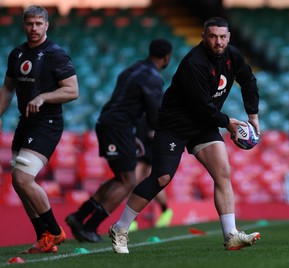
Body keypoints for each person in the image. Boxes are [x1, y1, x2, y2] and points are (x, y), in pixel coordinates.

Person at [109, 16, 261, 254]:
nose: (218, 42)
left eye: (222, 37)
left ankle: (231, 235)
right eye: (212, 36)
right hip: (175, 124)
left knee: (222, 172)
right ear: (203, 37)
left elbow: (248, 80)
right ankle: (120, 228)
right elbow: (202, 106)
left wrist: (253, 115)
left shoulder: (233, 55)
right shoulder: (195, 63)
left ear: (228, 37)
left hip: (203, 124)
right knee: (161, 178)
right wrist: (229, 123)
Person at [65, 39, 173, 243]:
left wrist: (132, 136)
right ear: (166, 57)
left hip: (110, 123)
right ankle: (89, 226)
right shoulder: (153, 78)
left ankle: (79, 217)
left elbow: (123, 103)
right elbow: (154, 116)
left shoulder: (131, 70)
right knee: (128, 182)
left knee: (120, 177)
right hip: (118, 127)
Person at [0, 5, 79, 253]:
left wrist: (43, 97)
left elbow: (72, 90)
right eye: (29, 24)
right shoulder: (17, 55)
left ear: (46, 25)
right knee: (18, 181)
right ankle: (43, 237)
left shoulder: (56, 54)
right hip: (25, 123)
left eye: (38, 24)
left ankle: (55, 232)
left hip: (48, 123)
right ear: (24, 25)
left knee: (24, 177)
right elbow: (7, 89)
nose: (33, 28)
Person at [129, 116, 173, 232]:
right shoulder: (138, 110)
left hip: (152, 150)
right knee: (132, 183)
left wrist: (158, 134)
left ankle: (165, 211)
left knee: (154, 183)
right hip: (139, 150)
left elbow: (168, 127)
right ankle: (132, 220)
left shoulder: (156, 108)